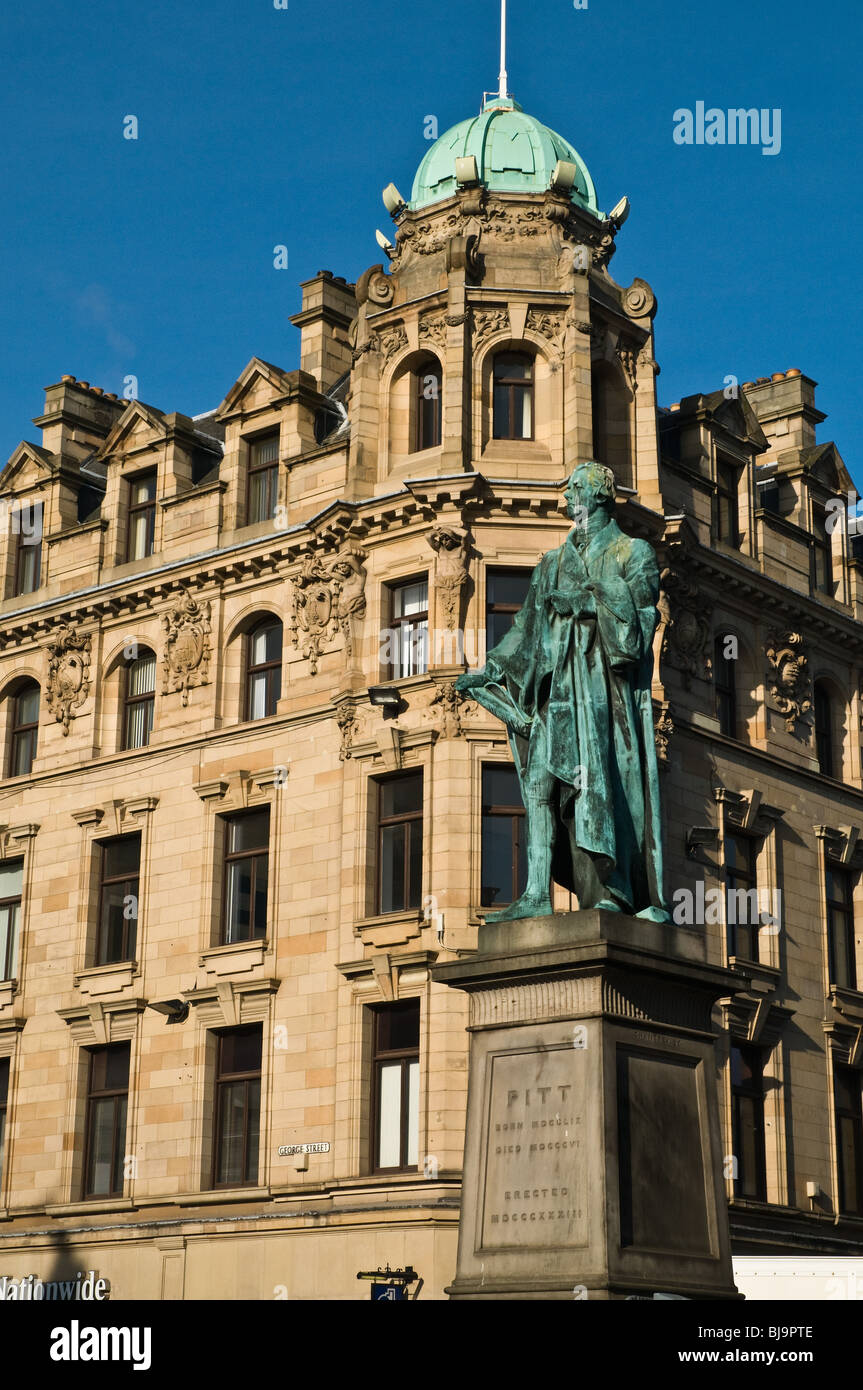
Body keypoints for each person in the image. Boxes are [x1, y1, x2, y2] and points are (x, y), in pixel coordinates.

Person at [457, 460, 669, 923]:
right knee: (538, 786)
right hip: (556, 695)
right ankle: (535, 893)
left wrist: (587, 600)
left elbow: (642, 615)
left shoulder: (633, 552)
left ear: (598, 493)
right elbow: (523, 630)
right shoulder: (552, 563)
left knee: (600, 787)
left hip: (601, 696)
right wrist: (487, 670)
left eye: (574, 489)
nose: (567, 497)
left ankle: (613, 890)